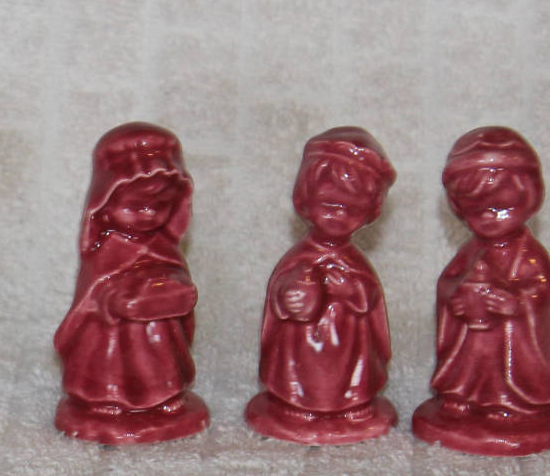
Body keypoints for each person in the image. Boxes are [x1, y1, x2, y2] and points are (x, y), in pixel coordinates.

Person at [413, 126, 550, 456]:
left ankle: (508, 403)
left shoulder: (530, 256)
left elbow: (541, 292)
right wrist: (458, 297)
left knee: (503, 368)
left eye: (503, 208)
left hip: (510, 342)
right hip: (473, 335)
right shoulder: (470, 253)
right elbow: (447, 284)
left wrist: (516, 303)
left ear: (529, 199)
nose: (490, 219)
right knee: (469, 363)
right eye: (477, 210)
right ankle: (461, 397)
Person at [54, 122, 208, 444]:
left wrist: (176, 290)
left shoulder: (164, 247)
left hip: (157, 334)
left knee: (162, 361)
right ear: (104, 204)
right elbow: (91, 297)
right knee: (107, 361)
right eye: (135, 205)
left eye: (160, 205)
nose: (149, 214)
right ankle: (104, 399)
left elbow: (177, 277)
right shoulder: (105, 253)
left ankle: (165, 397)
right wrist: (114, 301)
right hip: (111, 336)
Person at [246, 127, 397, 444]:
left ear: (370, 212)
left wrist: (350, 292)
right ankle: (295, 403)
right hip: (302, 344)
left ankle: (354, 403)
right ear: (305, 199)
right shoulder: (299, 257)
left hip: (348, 343)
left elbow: (370, 298)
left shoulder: (355, 262)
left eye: (352, 209)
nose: (339, 215)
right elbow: (280, 292)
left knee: (353, 369)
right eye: (329, 204)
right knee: (298, 368)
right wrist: (291, 297)